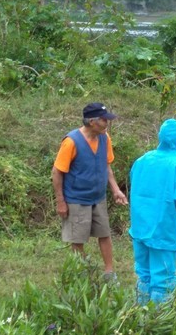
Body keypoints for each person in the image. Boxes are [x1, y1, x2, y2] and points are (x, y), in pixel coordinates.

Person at [52, 102, 128, 281]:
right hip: (76, 199)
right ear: (92, 122)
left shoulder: (105, 138)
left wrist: (116, 190)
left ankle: (110, 273)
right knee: (77, 239)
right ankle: (82, 274)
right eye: (104, 120)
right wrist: (60, 202)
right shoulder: (71, 142)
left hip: (98, 197)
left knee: (105, 234)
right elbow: (57, 172)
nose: (107, 123)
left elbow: (106, 167)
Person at [129, 118, 176, 305]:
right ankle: (159, 322)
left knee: (144, 274)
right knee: (163, 279)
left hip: (140, 227)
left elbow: (134, 186)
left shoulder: (141, 161)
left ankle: (139, 315)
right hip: (163, 231)